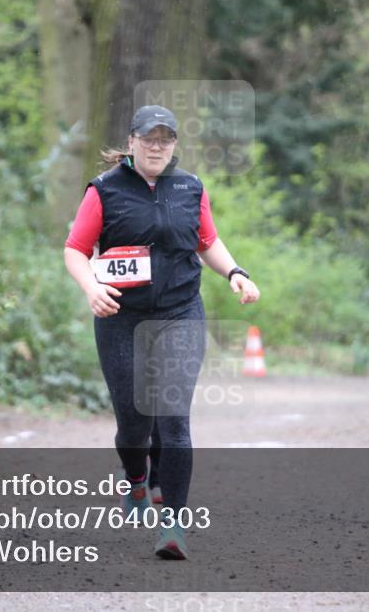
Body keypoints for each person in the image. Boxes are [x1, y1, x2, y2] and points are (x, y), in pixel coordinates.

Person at [63, 104, 260, 559]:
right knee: (134, 422)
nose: (156, 146)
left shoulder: (190, 187)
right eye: (148, 139)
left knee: (173, 419)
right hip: (120, 316)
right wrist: (91, 286)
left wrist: (234, 272)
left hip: (179, 311)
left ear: (174, 144)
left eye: (165, 139)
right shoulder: (105, 191)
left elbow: (206, 241)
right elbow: (76, 249)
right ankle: (135, 480)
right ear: (131, 142)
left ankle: (172, 526)